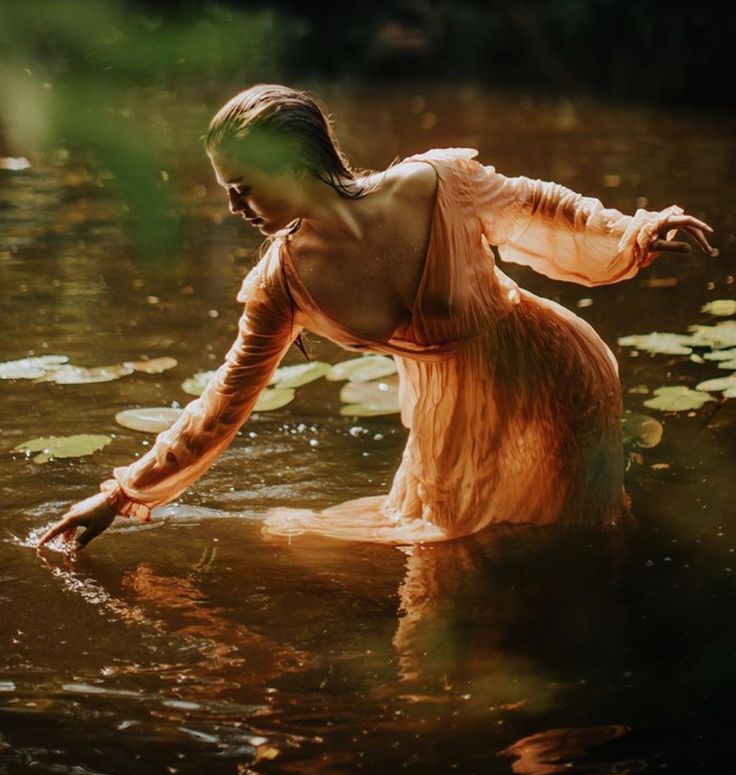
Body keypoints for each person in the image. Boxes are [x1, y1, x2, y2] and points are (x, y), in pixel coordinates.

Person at [39, 83, 717, 552]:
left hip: (555, 377)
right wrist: (121, 494)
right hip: (452, 424)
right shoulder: (284, 283)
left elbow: (542, 208)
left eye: (241, 186)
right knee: (451, 570)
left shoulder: (438, 179)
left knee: (574, 544)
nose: (234, 207)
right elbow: (223, 404)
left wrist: (637, 230)